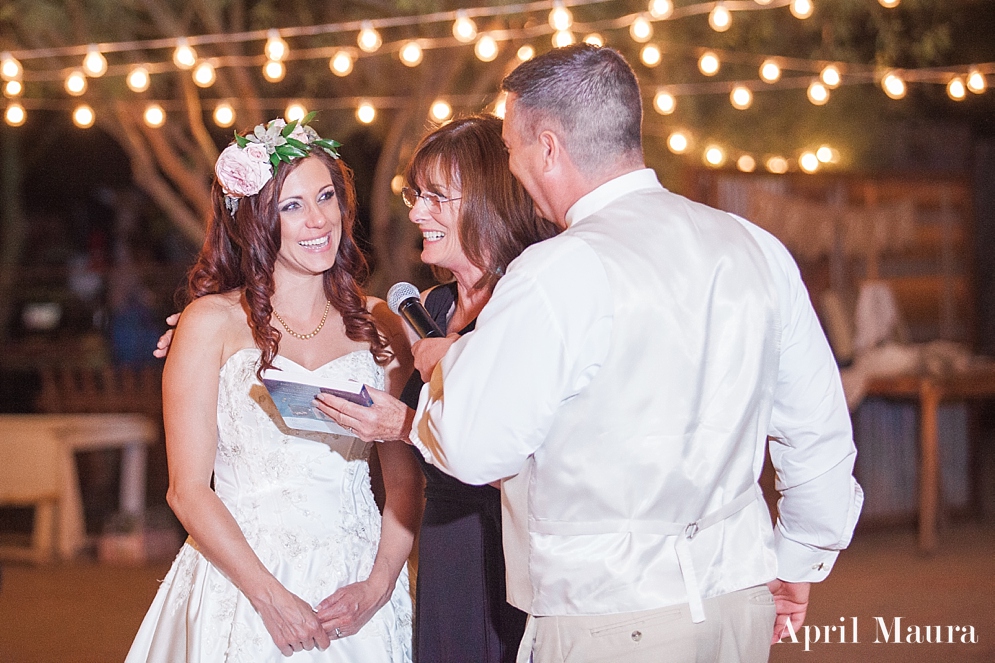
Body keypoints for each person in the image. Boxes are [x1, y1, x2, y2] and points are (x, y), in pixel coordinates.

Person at [408, 44, 863, 663]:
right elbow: (818, 431)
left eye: (511, 150)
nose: (512, 169)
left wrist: (447, 369)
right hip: (738, 595)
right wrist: (801, 557)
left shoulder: (557, 272)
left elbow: (471, 444)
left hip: (607, 612)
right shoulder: (754, 248)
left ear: (548, 147)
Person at [127, 116, 421, 663]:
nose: (318, 220)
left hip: (355, 591)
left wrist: (378, 585)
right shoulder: (209, 324)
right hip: (242, 583)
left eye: (326, 196)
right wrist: (269, 597)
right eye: (292, 205)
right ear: (258, 221)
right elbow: (186, 490)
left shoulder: (383, 325)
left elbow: (404, 486)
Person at [313, 115, 559, 663]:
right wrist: (203, 328)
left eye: (436, 197)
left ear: (490, 201)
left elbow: (542, 463)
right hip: (447, 548)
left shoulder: (527, 307)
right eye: (415, 195)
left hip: (516, 550)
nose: (417, 212)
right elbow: (319, 318)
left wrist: (404, 427)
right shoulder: (431, 309)